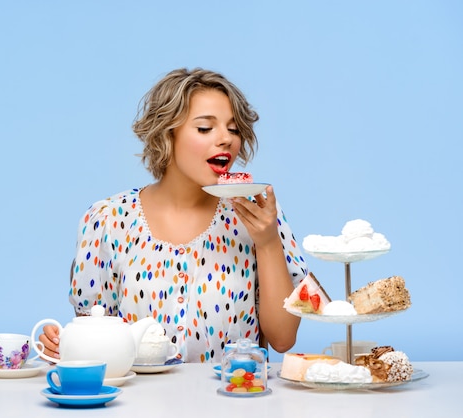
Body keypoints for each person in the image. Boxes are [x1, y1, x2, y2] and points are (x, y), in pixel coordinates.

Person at [39, 68, 308, 363]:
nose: (226, 139)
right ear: (167, 134)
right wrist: (62, 344)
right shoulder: (107, 219)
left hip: (232, 402)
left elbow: (283, 339)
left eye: (233, 129)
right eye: (205, 128)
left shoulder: (258, 212)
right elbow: (95, 344)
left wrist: (267, 241)